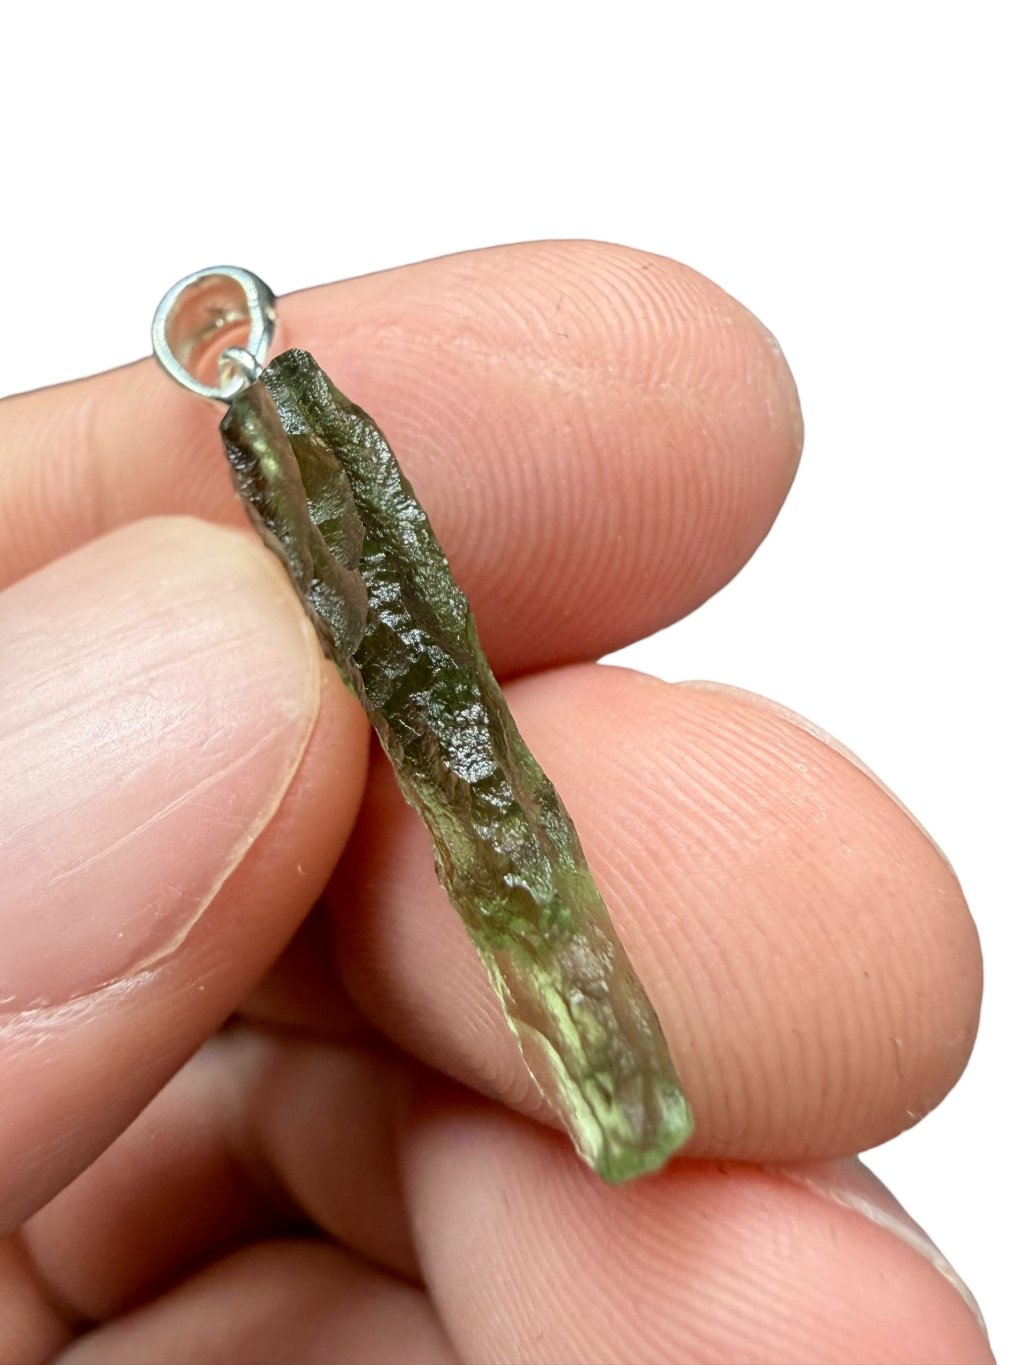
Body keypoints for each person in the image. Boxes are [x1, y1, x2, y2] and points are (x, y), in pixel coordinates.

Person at [0, 242, 991, 1364]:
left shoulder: (302, 431)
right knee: (492, 831)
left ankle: (620, 1104)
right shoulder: (278, 446)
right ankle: (616, 1105)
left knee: (500, 828)